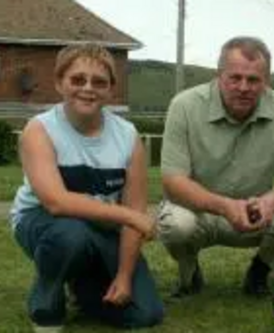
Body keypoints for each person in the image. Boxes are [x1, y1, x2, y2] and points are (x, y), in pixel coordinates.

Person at [10, 44, 164, 332]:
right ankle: (46, 302)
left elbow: (135, 207)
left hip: (103, 227)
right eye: (77, 79)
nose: (88, 88)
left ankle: (84, 290)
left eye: (99, 82)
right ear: (59, 83)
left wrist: (124, 275)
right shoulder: (39, 129)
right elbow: (56, 202)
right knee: (71, 234)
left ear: (111, 90)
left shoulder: (128, 136)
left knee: (145, 314)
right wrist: (129, 217)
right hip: (43, 222)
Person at [158, 36, 274, 297]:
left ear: (267, 81)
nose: (244, 87)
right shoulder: (183, 106)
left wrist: (271, 202)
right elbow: (173, 182)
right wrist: (225, 206)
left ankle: (260, 274)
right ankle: (190, 273)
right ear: (219, 75)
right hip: (201, 212)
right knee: (176, 223)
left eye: (254, 80)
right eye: (235, 77)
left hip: (257, 211)